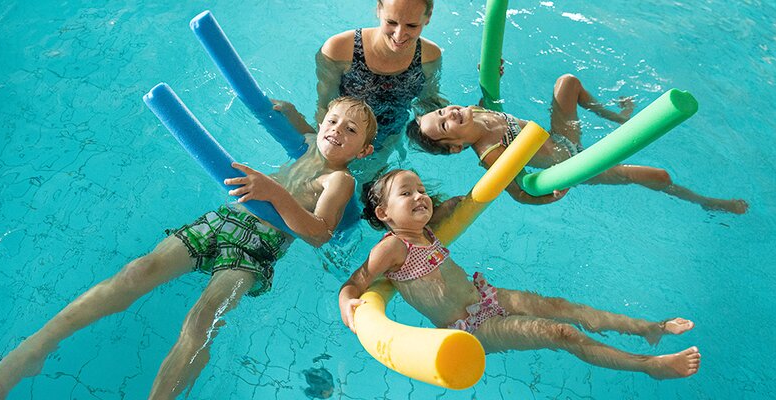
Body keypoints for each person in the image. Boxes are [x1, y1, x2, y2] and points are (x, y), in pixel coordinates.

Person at [0, 97, 378, 400]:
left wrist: (273, 192)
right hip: (221, 221)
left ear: (363, 151)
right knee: (136, 272)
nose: (336, 130)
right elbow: (296, 119)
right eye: (333, 120)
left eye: (349, 131)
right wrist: (281, 109)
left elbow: (319, 232)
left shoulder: (340, 181)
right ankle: (31, 352)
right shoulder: (307, 140)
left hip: (255, 250)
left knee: (201, 320)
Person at [339, 169, 702, 379]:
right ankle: (648, 366)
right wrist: (349, 302)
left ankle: (649, 328)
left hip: (487, 296)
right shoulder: (392, 247)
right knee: (559, 332)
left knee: (563, 307)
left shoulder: (426, 227)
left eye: (421, 190)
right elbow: (356, 281)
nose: (420, 196)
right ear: (385, 213)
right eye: (407, 193)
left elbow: (460, 204)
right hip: (470, 326)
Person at [405, 74, 749, 213]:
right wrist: (549, 194)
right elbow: (519, 192)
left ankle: (617, 118)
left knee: (567, 83)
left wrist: (494, 71)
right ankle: (708, 202)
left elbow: (492, 100)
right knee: (656, 175)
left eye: (442, 112)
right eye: (445, 124)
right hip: (572, 167)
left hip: (562, 140)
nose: (449, 112)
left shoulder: (477, 112)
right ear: (455, 147)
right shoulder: (490, 155)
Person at [315, 0, 448, 154]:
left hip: (390, 137)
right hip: (341, 138)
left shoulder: (429, 56)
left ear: (428, 16)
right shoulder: (339, 49)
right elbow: (324, 107)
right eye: (391, 22)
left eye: (412, 25)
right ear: (379, 9)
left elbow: (429, 104)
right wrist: (324, 153)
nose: (399, 35)